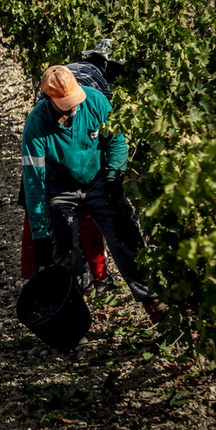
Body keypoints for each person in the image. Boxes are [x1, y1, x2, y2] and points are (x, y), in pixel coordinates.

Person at [21, 64, 168, 325]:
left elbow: (116, 141)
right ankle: (73, 316)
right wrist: (40, 233)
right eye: (65, 102)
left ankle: (153, 301)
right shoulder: (36, 124)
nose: (73, 105)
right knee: (64, 253)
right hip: (59, 189)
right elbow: (34, 181)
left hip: (99, 181)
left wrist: (114, 176)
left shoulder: (96, 101)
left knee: (127, 234)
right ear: (49, 98)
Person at [18, 40, 120, 287]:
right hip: (49, 153)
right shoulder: (94, 87)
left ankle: (94, 275)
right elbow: (35, 184)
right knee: (36, 208)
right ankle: (34, 276)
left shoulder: (83, 83)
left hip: (78, 163)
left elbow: (105, 138)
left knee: (82, 214)